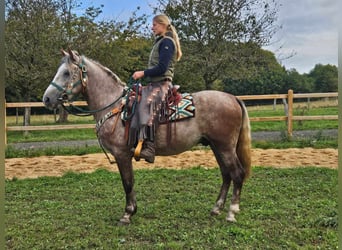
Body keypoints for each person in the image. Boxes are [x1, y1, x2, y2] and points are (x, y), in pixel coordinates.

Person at [130, 14, 182, 163]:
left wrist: (143, 73)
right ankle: (136, 141)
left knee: (146, 107)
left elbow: (162, 68)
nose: (152, 27)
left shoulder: (167, 42)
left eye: (154, 25)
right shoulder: (160, 42)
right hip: (155, 84)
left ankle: (150, 148)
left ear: (163, 24)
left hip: (162, 84)